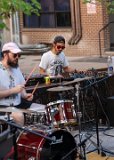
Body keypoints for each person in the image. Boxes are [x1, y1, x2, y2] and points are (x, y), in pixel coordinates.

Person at [0, 42, 33, 126]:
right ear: (5, 54)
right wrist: (13, 91)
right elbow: (15, 90)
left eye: (19, 55)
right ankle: (19, 138)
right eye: (14, 55)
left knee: (41, 110)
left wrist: (25, 95)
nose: (17, 57)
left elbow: (21, 88)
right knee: (18, 116)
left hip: (17, 105)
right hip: (3, 107)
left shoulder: (16, 68)